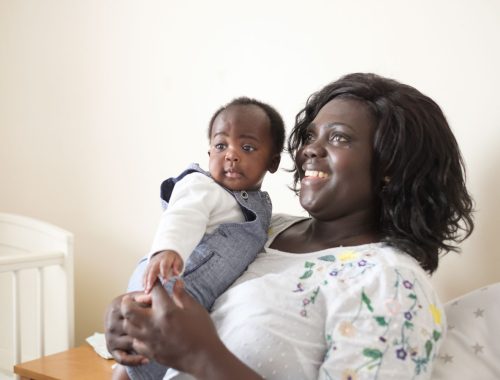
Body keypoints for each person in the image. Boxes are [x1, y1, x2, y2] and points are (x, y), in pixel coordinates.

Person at [105, 73, 474, 380]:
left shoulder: (391, 283)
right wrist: (133, 324)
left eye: (340, 137)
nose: (309, 150)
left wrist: (202, 356)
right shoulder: (256, 227)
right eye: (311, 136)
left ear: (391, 170)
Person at [116, 96, 285, 380]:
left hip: (196, 296)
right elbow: (183, 215)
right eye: (221, 146)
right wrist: (168, 249)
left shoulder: (258, 206)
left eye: (247, 147)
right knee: (142, 358)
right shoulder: (203, 186)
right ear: (209, 153)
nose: (231, 155)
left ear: (273, 161)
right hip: (169, 282)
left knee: (159, 357)